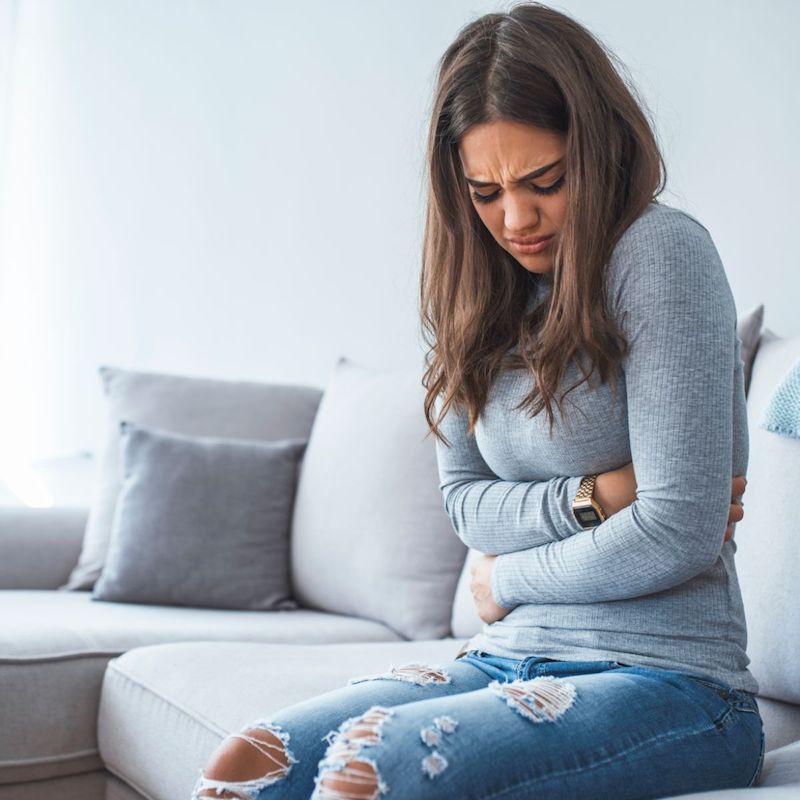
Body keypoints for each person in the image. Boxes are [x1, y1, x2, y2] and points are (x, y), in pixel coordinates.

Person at [191, 3, 764, 798]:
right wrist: (597, 496)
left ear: (596, 153)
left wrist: (507, 581)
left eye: (545, 182)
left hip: (673, 681)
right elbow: (466, 506)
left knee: (381, 761)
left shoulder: (659, 252)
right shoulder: (470, 293)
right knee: (246, 763)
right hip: (501, 658)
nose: (516, 218)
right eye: (486, 192)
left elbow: (676, 533)